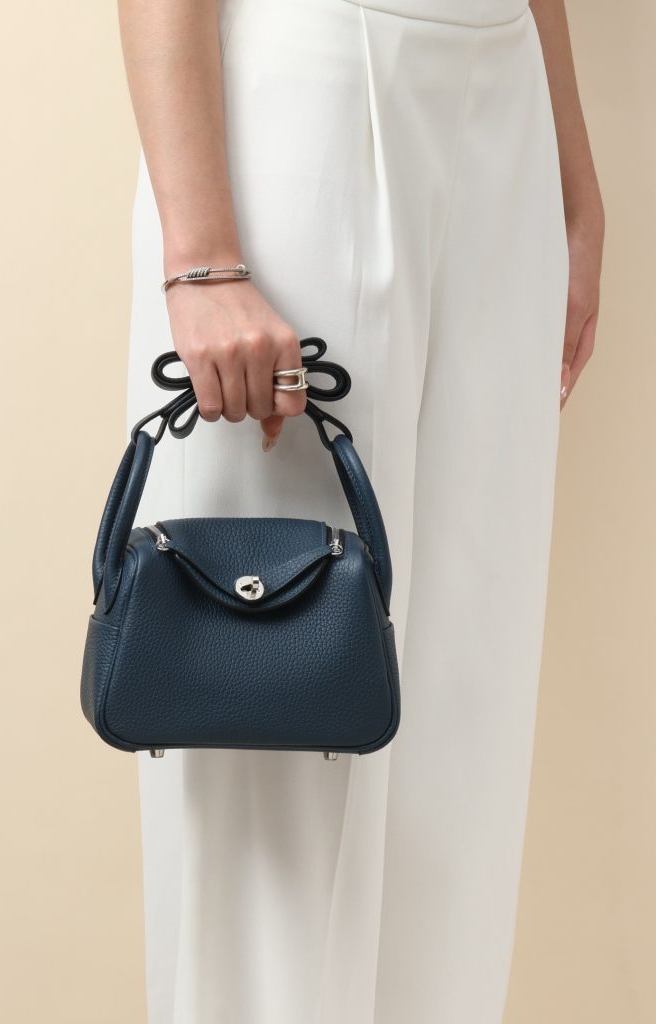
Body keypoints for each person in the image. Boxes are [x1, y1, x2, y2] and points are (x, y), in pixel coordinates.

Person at [117, 0, 603, 1020]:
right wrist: (200, 255)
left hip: (504, 104)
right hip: (313, 82)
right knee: (280, 706)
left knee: (461, 725)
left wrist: (568, 163)